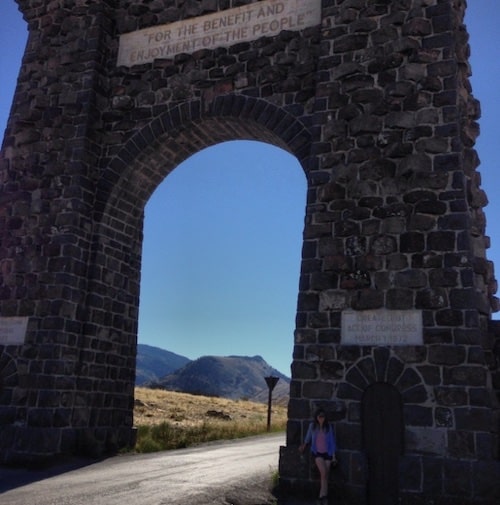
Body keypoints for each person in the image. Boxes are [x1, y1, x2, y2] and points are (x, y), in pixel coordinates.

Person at [299, 408, 337, 504]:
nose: (321, 418)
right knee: (323, 473)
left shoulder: (328, 427)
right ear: (316, 417)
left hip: (327, 453)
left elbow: (332, 442)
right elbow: (308, 437)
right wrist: (304, 445)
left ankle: (323, 497)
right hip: (318, 453)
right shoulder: (313, 426)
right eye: (319, 416)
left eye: (323, 416)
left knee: (325, 476)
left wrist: (333, 456)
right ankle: (322, 497)